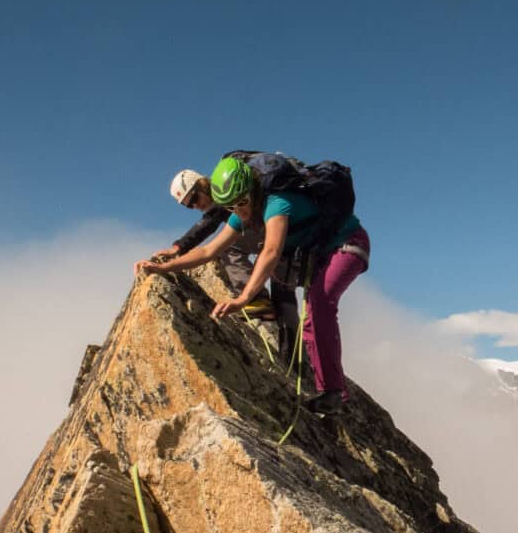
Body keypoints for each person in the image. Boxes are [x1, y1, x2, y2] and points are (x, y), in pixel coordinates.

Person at [135, 157, 369, 416]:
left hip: (348, 244)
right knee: (310, 314)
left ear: (253, 191)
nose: (240, 211)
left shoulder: (277, 203)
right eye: (232, 206)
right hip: (320, 253)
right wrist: (163, 267)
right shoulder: (241, 209)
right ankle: (329, 391)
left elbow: (270, 251)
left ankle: (334, 394)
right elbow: (210, 250)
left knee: (319, 304)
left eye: (243, 203)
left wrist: (243, 298)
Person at [145, 168, 278, 321]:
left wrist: (178, 248)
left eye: (194, 199)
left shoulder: (222, 191)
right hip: (272, 230)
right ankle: (265, 307)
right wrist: (177, 250)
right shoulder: (223, 198)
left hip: (273, 231)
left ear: (201, 185)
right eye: (189, 205)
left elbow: (208, 224)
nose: (195, 206)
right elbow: (208, 227)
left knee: (227, 247)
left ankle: (257, 300)